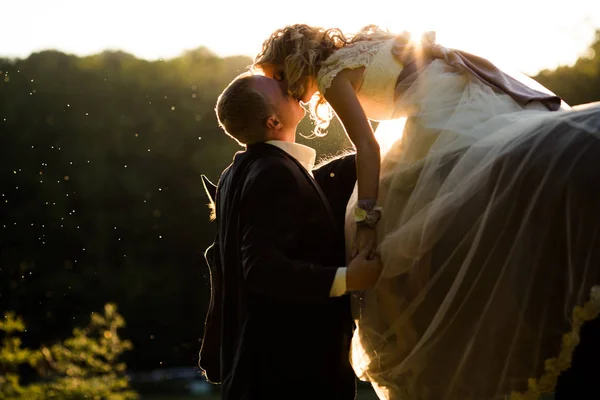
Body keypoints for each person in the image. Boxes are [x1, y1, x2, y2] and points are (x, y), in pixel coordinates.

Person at [253, 24, 600, 399]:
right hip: (464, 92)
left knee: (397, 204)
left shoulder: (330, 74)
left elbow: (367, 147)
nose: (284, 92)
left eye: (279, 77)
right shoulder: (354, 51)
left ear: (294, 61)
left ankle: (412, 323)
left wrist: (366, 218)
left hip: (442, 110)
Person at [197, 71, 382, 400]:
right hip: (290, 379)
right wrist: (348, 279)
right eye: (281, 90)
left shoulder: (236, 173)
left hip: (261, 377)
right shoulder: (273, 173)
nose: (291, 88)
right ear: (272, 121)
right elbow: (260, 269)